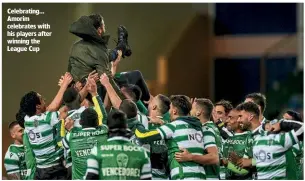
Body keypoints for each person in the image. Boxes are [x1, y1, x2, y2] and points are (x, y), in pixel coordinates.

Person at [135, 95, 206, 180]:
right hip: (201, 176)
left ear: (175, 111)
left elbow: (142, 136)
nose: (168, 112)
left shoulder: (173, 126)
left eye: (170, 108)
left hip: (183, 176)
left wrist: (135, 122)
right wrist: (162, 122)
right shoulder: (198, 127)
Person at [17, 72, 73, 179]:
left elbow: (50, 109)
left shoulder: (27, 121)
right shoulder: (47, 119)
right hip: (55, 169)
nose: (45, 100)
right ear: (37, 106)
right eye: (42, 99)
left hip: (40, 171)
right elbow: (59, 108)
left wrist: (62, 88)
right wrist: (65, 84)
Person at [68, 13, 126, 100]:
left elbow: (104, 55)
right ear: (99, 30)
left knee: (113, 53)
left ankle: (121, 45)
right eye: (104, 25)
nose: (104, 27)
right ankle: (122, 45)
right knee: (131, 79)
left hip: (78, 89)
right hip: (93, 91)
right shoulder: (97, 52)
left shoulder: (75, 46)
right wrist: (124, 102)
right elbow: (107, 78)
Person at [84, 110, 152, 180]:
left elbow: (90, 178)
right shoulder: (142, 153)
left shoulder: (96, 152)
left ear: (107, 126)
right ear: (126, 126)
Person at [175, 98, 220, 180]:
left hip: (209, 177)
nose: (189, 112)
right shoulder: (211, 128)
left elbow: (214, 157)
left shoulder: (206, 129)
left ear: (199, 112)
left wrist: (190, 157)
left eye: (192, 109)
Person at [222, 109, 252, 180]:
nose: (227, 121)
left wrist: (228, 164)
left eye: (230, 118)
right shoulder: (227, 139)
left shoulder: (250, 138)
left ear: (239, 119)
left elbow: (246, 172)